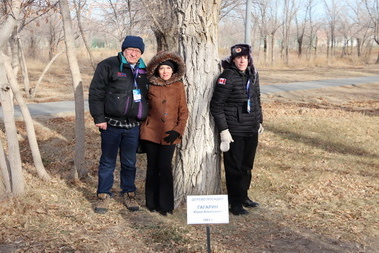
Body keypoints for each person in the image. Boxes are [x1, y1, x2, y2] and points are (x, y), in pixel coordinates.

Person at [89, 35, 149, 213]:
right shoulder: (108, 65)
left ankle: (129, 193)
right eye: (130, 49)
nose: (133, 53)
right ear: (123, 50)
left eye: (137, 51)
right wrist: (99, 118)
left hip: (133, 127)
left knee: (129, 162)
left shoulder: (145, 70)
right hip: (111, 124)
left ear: (141, 53)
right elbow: (96, 92)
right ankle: (103, 195)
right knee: (107, 161)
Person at [210, 44, 264, 216]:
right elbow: (216, 106)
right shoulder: (227, 77)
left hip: (251, 129)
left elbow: (257, 99)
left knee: (247, 166)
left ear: (249, 59)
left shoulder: (253, 76)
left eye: (245, 58)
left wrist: (259, 121)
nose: (242, 60)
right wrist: (223, 130)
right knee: (234, 168)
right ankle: (234, 203)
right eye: (238, 58)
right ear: (233, 59)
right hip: (234, 131)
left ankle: (244, 196)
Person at [140, 51, 188, 216]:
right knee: (152, 167)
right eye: (162, 69)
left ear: (173, 70)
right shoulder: (150, 85)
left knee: (165, 168)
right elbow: (143, 109)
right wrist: (142, 130)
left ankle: (166, 205)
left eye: (168, 68)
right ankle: (151, 203)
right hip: (151, 133)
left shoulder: (179, 86)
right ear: (157, 71)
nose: (165, 72)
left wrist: (177, 131)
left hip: (170, 134)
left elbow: (184, 112)